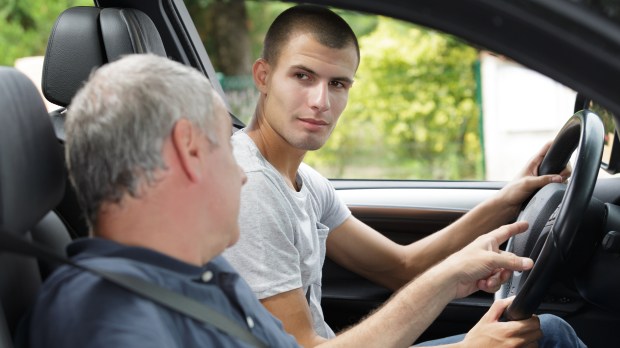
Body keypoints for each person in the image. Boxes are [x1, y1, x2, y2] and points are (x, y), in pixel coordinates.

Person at [222, 4, 585, 347]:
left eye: (338, 84)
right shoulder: (250, 186)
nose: (321, 101)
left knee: (543, 331)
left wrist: (507, 201)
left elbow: (401, 266)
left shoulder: (308, 184)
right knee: (548, 335)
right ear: (263, 76)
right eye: (303, 76)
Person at [28, 54, 299, 347]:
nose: (242, 176)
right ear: (190, 149)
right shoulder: (110, 319)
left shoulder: (203, 268)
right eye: (228, 149)